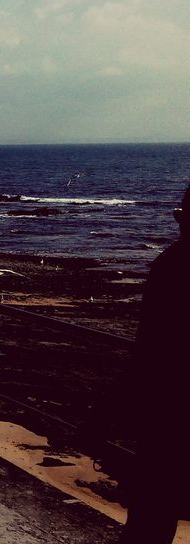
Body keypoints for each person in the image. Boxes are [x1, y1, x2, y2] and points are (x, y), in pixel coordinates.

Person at [120, 184, 190, 543]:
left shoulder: (172, 266)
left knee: (150, 520)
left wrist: (115, 412)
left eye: (181, 214)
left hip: (168, 417)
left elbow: (149, 348)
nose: (178, 221)